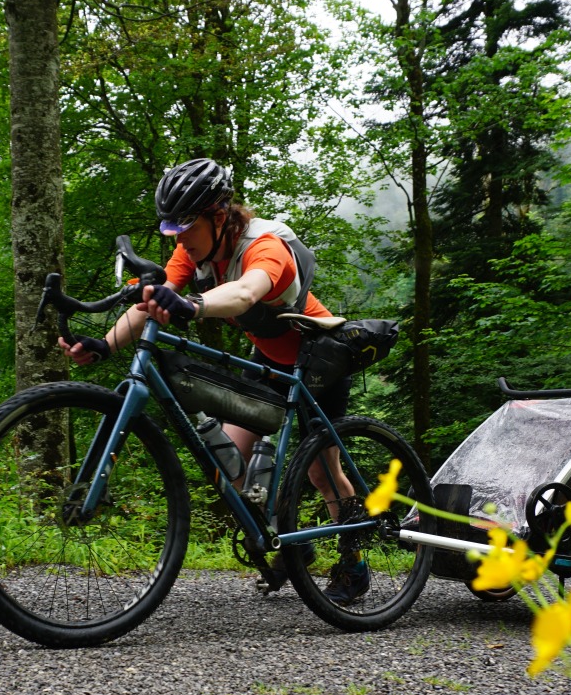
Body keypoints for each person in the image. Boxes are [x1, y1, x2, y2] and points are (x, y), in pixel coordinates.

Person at [58, 158, 368, 605]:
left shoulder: (265, 247)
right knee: (230, 459)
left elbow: (244, 293)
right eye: (172, 232)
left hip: (318, 358)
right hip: (269, 358)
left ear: (218, 217)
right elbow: (151, 298)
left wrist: (192, 306)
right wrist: (105, 345)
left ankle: (354, 564)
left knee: (323, 471)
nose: (179, 240)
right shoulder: (193, 248)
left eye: (185, 228)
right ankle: (292, 539)